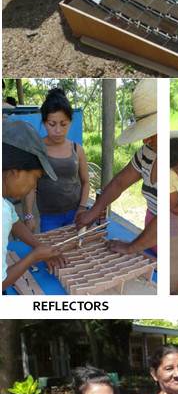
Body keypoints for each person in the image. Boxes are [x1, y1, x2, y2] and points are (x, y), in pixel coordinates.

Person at [76, 81, 157, 256]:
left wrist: (131, 247)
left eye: (150, 133)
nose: (145, 140)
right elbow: (119, 183)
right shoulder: (147, 153)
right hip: (150, 239)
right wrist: (94, 212)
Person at [2, 120, 63, 291]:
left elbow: (16, 224)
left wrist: (39, 246)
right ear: (15, 173)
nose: (34, 186)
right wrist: (33, 257)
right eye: (35, 178)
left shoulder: (5, 203)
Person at [22, 88, 90, 232]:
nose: (58, 130)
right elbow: (30, 186)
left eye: (63, 124)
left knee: (74, 250)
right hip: (49, 216)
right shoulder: (37, 149)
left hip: (74, 213)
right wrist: (28, 216)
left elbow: (85, 181)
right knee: (52, 250)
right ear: (44, 122)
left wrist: (82, 208)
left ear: (70, 122)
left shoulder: (77, 150)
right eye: (52, 124)